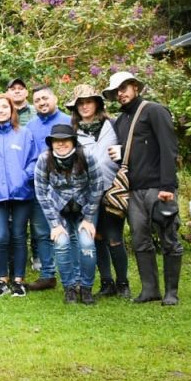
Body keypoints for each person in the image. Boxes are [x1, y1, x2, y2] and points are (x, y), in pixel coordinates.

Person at [104, 71, 183, 305]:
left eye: (124, 88)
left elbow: (169, 148)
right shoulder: (121, 120)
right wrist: (119, 155)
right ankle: (150, 290)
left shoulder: (154, 110)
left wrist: (167, 185)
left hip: (159, 187)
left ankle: (171, 292)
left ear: (135, 87)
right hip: (133, 189)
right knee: (140, 239)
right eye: (116, 90)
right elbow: (131, 153)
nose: (120, 94)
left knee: (168, 238)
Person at [66, 84, 127, 298]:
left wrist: (121, 153)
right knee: (97, 236)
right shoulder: (73, 131)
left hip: (112, 189)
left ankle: (123, 283)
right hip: (87, 192)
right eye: (80, 103)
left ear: (97, 103)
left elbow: (128, 149)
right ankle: (107, 282)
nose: (84, 106)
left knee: (114, 237)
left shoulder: (113, 125)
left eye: (88, 101)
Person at [0, 94, 39, 298]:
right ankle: (2, 279)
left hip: (22, 193)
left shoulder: (24, 133)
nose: (1, 110)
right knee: (1, 236)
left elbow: (34, 160)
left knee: (19, 236)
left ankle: (18, 280)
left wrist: (24, 177)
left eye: (5, 107)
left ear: (12, 110)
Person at [34, 125, 103, 305]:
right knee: (62, 243)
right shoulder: (44, 159)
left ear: (73, 141)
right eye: (57, 140)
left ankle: (86, 288)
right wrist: (55, 224)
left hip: (85, 207)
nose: (61, 143)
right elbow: (41, 193)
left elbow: (97, 186)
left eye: (65, 139)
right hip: (58, 209)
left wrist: (88, 219)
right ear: (52, 143)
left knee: (87, 244)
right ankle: (70, 288)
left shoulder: (87, 156)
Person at [25, 85, 72, 291]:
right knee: (42, 231)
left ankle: (71, 274)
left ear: (55, 99)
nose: (42, 103)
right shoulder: (30, 127)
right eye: (37, 100)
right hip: (40, 186)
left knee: (69, 230)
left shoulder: (69, 122)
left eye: (45, 98)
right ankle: (47, 274)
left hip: (67, 186)